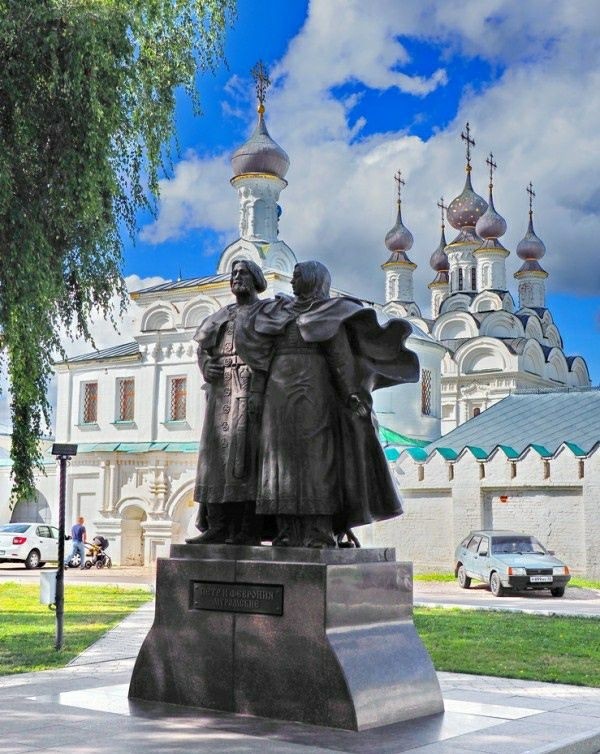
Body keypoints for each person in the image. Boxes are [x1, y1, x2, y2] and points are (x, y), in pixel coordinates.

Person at [238, 260, 419, 547]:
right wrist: (257, 393)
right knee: (278, 460)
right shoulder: (278, 312)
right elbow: (260, 360)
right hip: (278, 396)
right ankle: (286, 530)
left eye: (298, 277)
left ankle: (319, 531)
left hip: (313, 393)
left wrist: (351, 394)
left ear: (313, 279)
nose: (292, 282)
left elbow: (340, 359)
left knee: (316, 459)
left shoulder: (331, 313)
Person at [186, 259, 268, 545]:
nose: (236, 277)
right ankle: (217, 526)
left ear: (255, 279)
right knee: (214, 461)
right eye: (233, 273)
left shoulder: (266, 312)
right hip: (220, 392)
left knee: (246, 461)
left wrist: (261, 388)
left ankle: (248, 529)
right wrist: (205, 365)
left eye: (242, 273)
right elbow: (203, 348)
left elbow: (274, 352)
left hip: (249, 389)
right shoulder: (221, 315)